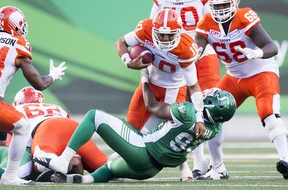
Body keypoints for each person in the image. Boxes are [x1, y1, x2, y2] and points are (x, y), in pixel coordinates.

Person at [33, 68, 236, 183]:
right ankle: (81, 181)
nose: (207, 96)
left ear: (211, 107)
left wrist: (145, 79)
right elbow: (173, 132)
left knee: (94, 116)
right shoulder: (213, 129)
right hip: (150, 170)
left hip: (143, 152)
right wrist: (184, 170)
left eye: (211, 98)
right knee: (111, 166)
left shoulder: (188, 113)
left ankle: (63, 161)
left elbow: (153, 106)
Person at [194, 0, 288, 180]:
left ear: (235, 2)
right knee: (210, 114)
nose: (220, 10)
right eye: (216, 6)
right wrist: (191, 55)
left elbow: (272, 46)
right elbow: (197, 49)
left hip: (261, 71)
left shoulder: (244, 17)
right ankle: (217, 167)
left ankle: (286, 159)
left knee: (268, 113)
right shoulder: (206, 23)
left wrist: (256, 52)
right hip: (234, 76)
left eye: (224, 5)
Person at [115, 8, 206, 181]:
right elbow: (120, 43)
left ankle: (183, 166)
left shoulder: (186, 49)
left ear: (178, 32)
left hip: (174, 88)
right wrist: (127, 62)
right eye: (161, 34)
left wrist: (199, 117)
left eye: (169, 35)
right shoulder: (146, 29)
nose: (165, 38)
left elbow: (193, 86)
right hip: (150, 83)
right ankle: (120, 164)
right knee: (130, 127)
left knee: (174, 131)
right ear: (154, 30)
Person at [150, 0, 220, 179]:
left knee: (209, 107)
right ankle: (200, 161)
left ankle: (218, 164)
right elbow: (152, 24)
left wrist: (196, 50)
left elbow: (210, 25)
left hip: (203, 52)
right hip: (176, 53)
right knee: (188, 111)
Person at [0, 6, 67, 186]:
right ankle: (10, 176)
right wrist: (52, 75)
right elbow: (39, 84)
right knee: (22, 126)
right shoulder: (18, 43)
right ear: (14, 25)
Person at [0, 86, 108, 182]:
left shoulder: (17, 109)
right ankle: (73, 163)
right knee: (107, 167)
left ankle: (55, 165)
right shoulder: (56, 107)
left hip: (47, 129)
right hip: (74, 127)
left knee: (37, 163)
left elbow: (11, 146)